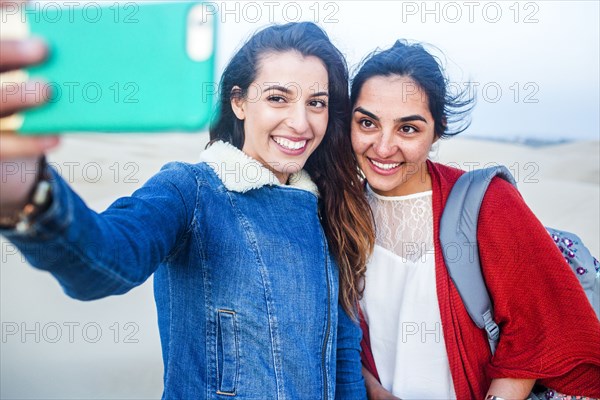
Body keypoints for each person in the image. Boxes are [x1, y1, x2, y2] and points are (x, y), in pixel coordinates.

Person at [0, 21, 376, 398]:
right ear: (239, 102)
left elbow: (341, 360)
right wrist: (32, 196)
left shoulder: (325, 211)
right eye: (278, 98)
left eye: (316, 103)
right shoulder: (191, 191)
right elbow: (104, 261)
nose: (300, 122)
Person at [350, 41, 600, 399]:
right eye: (368, 123)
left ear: (438, 130)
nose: (384, 147)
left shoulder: (486, 202)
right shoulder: (340, 213)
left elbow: (534, 333)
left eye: (408, 129)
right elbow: (342, 335)